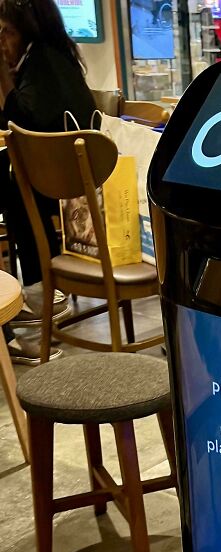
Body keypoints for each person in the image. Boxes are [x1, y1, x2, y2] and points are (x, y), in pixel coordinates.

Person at [0, 0, 97, 364]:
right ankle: (20, 302)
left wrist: (2, 75)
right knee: (10, 184)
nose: (3, 41)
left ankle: (27, 299)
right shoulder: (46, 58)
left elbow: (24, 121)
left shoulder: (44, 62)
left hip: (66, 184)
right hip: (56, 177)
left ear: (25, 28)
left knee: (11, 185)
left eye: (5, 32)